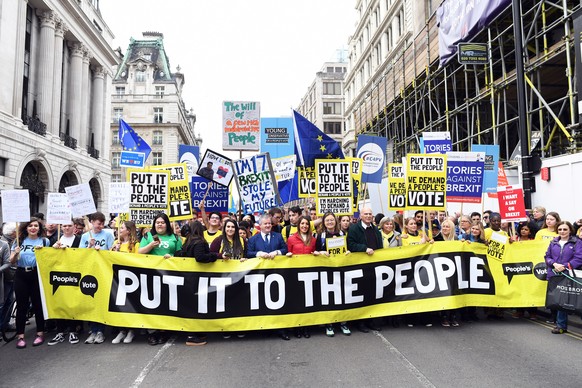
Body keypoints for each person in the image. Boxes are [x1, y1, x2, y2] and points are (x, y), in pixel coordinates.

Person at [138, 212, 182, 345]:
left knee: (165, 302)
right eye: (157, 222)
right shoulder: (148, 236)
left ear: (167, 224)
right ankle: (152, 332)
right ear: (154, 224)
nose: (160, 225)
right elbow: (140, 252)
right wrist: (151, 245)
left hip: (169, 275)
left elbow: (180, 254)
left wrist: (172, 257)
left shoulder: (174, 237)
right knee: (151, 302)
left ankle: (164, 332)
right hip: (151, 274)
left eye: (162, 222)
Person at [175, 221, 219, 345]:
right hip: (196, 279)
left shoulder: (188, 241)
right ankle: (192, 336)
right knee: (195, 306)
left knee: (192, 305)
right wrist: (213, 256)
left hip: (188, 278)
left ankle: (195, 332)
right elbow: (199, 257)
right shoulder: (199, 242)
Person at [9, 218, 49, 349]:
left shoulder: (44, 241)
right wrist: (15, 253)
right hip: (21, 274)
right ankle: (20, 336)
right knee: (22, 306)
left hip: (36, 274)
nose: (33, 228)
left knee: (38, 305)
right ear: (26, 228)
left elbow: (50, 260)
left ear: (39, 228)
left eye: (35, 226)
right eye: (30, 226)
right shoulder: (19, 241)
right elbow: (11, 261)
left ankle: (40, 333)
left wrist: (43, 252)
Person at [80, 212, 115, 344]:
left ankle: (100, 331)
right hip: (89, 273)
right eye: (98, 223)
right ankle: (93, 330)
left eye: (102, 223)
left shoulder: (107, 235)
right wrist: (89, 246)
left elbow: (111, 251)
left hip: (103, 273)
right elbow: (79, 255)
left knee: (100, 301)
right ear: (92, 222)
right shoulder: (84, 236)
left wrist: (103, 251)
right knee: (91, 301)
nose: (101, 226)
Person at [314, 212, 351, 336]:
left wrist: (348, 252)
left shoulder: (342, 234)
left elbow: (348, 248)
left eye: (332, 220)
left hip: (340, 270)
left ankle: (343, 322)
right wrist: (321, 253)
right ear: (324, 222)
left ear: (336, 221)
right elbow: (316, 251)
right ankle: (329, 324)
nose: (330, 222)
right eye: (327, 220)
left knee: (342, 296)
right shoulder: (321, 236)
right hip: (327, 271)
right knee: (328, 297)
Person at [347, 207, 382, 333]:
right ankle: (360, 322)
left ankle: (370, 320)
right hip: (360, 267)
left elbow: (380, 247)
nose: (368, 216)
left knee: (372, 294)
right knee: (361, 295)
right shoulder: (354, 229)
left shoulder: (376, 230)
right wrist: (364, 248)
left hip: (374, 268)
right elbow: (351, 244)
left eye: (370, 214)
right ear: (360, 215)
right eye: (365, 214)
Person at [47, 221, 82, 346]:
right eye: (65, 226)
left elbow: (82, 256)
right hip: (58, 276)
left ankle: (73, 330)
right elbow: (48, 257)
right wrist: (53, 249)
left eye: (69, 225)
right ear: (61, 228)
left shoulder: (79, 240)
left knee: (72, 303)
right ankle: (60, 331)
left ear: (74, 227)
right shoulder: (55, 240)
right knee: (59, 302)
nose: (67, 228)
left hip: (73, 276)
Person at [544, 221, 582, 334]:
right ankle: (561, 326)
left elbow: (579, 258)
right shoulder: (553, 242)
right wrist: (554, 264)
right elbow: (547, 256)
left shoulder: (577, 242)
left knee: (578, 300)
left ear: (570, 230)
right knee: (561, 300)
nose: (562, 231)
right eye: (560, 229)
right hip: (555, 275)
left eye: (565, 229)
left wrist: (564, 267)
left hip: (570, 275)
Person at [110, 221, 140, 344]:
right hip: (117, 280)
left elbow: (138, 260)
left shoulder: (135, 245)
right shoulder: (115, 243)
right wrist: (114, 250)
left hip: (130, 280)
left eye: (121, 228)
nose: (119, 230)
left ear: (128, 230)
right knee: (119, 306)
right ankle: (122, 330)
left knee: (130, 305)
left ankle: (131, 331)